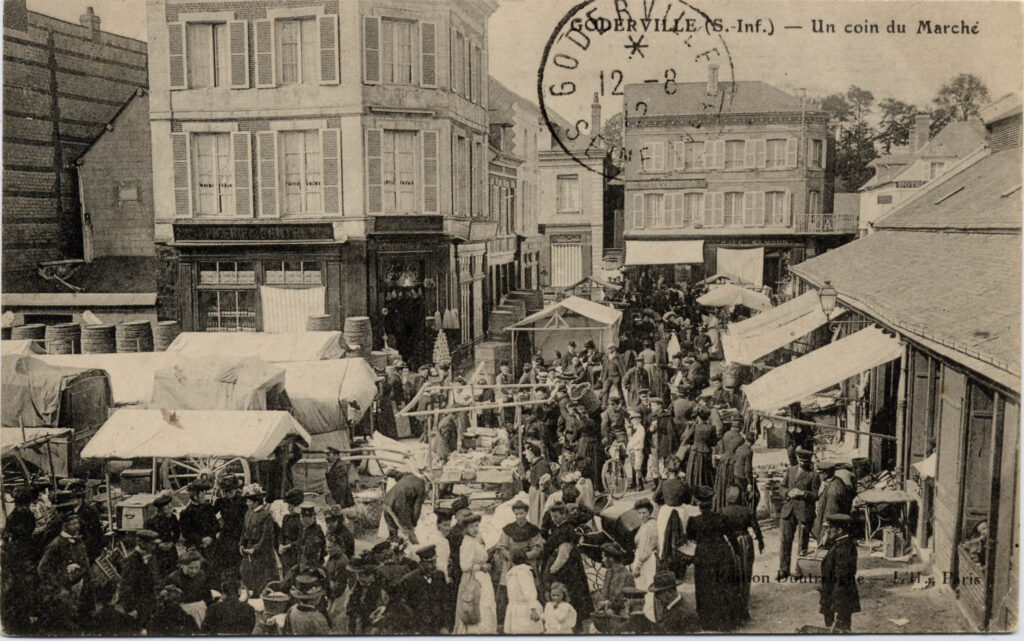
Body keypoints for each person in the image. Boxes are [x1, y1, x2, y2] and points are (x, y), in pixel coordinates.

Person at [686, 486, 744, 631]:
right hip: (722, 554)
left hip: (704, 556)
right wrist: (737, 552)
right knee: (723, 586)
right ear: (712, 503)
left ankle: (708, 621)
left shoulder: (693, 521)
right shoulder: (721, 518)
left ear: (699, 505)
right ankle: (726, 621)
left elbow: (690, 538)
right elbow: (731, 537)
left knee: (705, 588)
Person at [37, 511, 94, 631]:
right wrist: (61, 581)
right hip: (66, 592)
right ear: (65, 526)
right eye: (73, 524)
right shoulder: (56, 545)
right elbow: (42, 569)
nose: (77, 526)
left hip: (83, 589)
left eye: (77, 523)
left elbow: (85, 563)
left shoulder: (78, 541)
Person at [541, 501, 593, 630]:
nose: (554, 519)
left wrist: (552, 570)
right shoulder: (558, 528)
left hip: (567, 569)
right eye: (553, 517)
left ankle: (572, 626)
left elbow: (563, 555)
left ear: (564, 515)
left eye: (557, 516)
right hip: (566, 567)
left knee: (570, 595)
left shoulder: (567, 530)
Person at [494, 500, 543, 620]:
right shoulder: (508, 529)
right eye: (517, 514)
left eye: (521, 513)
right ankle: (506, 619)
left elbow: (538, 547)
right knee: (508, 590)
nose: (519, 516)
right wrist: (511, 556)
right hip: (511, 564)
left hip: (528, 563)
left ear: (526, 513)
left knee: (530, 588)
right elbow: (501, 546)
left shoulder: (533, 529)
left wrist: (526, 556)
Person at [720, 486, 764, 616]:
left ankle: (731, 598)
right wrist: (761, 542)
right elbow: (756, 528)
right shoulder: (747, 510)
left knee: (731, 569)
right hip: (745, 541)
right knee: (745, 569)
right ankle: (744, 598)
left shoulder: (722, 511)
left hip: (729, 542)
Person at [778, 448, 820, 580]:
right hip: (788, 510)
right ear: (797, 459)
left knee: (802, 543)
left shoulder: (814, 475)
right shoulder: (791, 470)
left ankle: (799, 570)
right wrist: (787, 493)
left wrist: (803, 493)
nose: (802, 464)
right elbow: (782, 487)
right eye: (800, 461)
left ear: (809, 461)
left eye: (805, 462)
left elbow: (816, 495)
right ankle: (783, 569)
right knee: (785, 541)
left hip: (804, 512)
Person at [454, 513, 498, 633]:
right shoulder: (467, 542)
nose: (475, 529)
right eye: (471, 527)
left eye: (477, 526)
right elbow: (464, 565)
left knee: (487, 605)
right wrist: (481, 566)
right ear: (466, 528)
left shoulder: (477, 539)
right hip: (473, 579)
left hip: (483, 579)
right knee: (476, 606)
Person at [819, 513, 861, 631]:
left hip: (840, 598)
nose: (827, 531)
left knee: (840, 630)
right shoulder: (840, 542)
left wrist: (838, 607)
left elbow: (842, 579)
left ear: (840, 530)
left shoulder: (844, 549)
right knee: (836, 629)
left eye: (830, 528)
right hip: (833, 596)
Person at [239, 483, 280, 595]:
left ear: (256, 501)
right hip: (249, 548)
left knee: (262, 576)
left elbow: (267, 536)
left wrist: (255, 549)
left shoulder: (266, 515)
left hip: (263, 552)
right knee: (246, 572)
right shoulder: (248, 513)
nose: (247, 503)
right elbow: (244, 531)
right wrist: (242, 544)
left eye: (249, 501)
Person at [115, 529, 160, 627]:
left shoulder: (152, 557)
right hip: (137, 605)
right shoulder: (132, 561)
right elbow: (126, 586)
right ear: (141, 543)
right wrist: (129, 608)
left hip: (150, 603)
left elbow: (156, 579)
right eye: (151, 544)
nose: (154, 546)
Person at [403, 544, 449, 634]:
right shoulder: (410, 580)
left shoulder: (439, 575)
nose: (434, 565)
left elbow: (446, 601)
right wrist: (414, 630)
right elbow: (406, 607)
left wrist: (445, 626)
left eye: (435, 561)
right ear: (421, 564)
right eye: (430, 563)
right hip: (419, 627)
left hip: (438, 626)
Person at [163, 548, 214, 628]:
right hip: (181, 614)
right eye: (190, 568)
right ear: (182, 565)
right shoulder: (173, 578)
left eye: (197, 568)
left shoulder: (202, 575)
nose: (194, 571)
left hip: (200, 611)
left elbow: (207, 595)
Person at [213, 476, 248, 577]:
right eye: (224, 491)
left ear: (235, 489)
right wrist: (218, 527)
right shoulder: (220, 502)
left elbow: (245, 519)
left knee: (236, 557)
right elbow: (211, 516)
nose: (226, 494)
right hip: (226, 532)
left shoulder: (242, 502)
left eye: (229, 491)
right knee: (222, 557)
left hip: (239, 532)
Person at [382, 467, 428, 543]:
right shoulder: (421, 488)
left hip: (386, 502)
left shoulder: (409, 475)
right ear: (427, 482)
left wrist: (387, 474)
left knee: (392, 532)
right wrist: (413, 523)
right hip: (398, 506)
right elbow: (417, 508)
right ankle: (417, 550)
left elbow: (393, 473)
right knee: (409, 532)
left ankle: (391, 549)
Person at [630, 498, 659, 621]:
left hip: (646, 561)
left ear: (650, 512)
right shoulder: (647, 524)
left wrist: (637, 566)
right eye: (639, 513)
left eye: (644, 513)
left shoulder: (648, 526)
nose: (642, 516)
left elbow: (645, 549)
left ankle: (649, 618)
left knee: (646, 590)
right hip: (646, 558)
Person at [813, 460, 857, 541]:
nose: (818, 476)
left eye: (820, 473)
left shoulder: (833, 490)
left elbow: (830, 514)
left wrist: (825, 534)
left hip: (829, 533)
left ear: (825, 475)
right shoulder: (835, 481)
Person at [503, 549, 544, 634]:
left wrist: (533, 608)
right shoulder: (512, 572)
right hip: (515, 607)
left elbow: (529, 590)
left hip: (525, 608)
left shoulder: (523, 572)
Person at [145, 492, 180, 579]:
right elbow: (148, 539)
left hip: (171, 551)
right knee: (160, 575)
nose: (170, 507)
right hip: (158, 553)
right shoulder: (151, 522)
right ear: (160, 508)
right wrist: (159, 545)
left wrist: (172, 542)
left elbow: (177, 532)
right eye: (166, 506)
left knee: (173, 573)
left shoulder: (172, 518)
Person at [179, 478, 219, 553]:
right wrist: (201, 539)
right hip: (195, 547)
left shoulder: (208, 508)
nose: (204, 494)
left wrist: (211, 537)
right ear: (195, 495)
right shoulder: (186, 513)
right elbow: (186, 533)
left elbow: (215, 524)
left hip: (211, 544)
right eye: (202, 492)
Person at [712, 419, 745, 511]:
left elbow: (720, 448)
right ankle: (729, 506)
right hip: (732, 464)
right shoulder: (741, 439)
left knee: (721, 485)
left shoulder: (725, 435)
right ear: (740, 427)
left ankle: (719, 505)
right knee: (730, 485)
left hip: (723, 462)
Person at [595, 543, 635, 616]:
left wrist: (608, 605)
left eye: (603, 557)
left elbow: (627, 601)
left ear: (611, 558)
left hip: (622, 613)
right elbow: (605, 595)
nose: (602, 560)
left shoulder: (627, 575)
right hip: (609, 610)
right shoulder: (609, 572)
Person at [347, 556, 384, 635]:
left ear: (373, 576)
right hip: (358, 618)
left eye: (365, 576)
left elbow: (380, 605)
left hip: (371, 619)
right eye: (359, 575)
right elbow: (351, 605)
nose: (361, 578)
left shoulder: (378, 589)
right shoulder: (356, 587)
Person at [684, 405, 716, 491]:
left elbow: (686, 438)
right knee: (706, 472)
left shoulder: (695, 426)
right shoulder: (712, 428)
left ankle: (692, 488)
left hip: (695, 452)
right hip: (706, 452)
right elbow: (713, 442)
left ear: (698, 416)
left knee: (693, 472)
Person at [278, 488, 306, 574]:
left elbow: (302, 538)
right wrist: (280, 544)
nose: (289, 508)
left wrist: (289, 546)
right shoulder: (286, 517)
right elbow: (281, 533)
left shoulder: (301, 520)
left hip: (295, 551)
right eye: (288, 505)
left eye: (292, 506)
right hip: (285, 551)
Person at [732, 430, 758, 507]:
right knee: (755, 496)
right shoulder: (749, 452)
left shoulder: (739, 448)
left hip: (736, 475)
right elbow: (747, 469)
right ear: (753, 442)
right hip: (743, 478)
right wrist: (750, 482)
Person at [626, 410, 647, 490]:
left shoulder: (641, 429)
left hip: (638, 449)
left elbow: (637, 440)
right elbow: (630, 439)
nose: (634, 421)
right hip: (632, 450)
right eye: (633, 420)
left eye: (636, 419)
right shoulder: (632, 429)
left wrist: (629, 446)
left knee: (637, 467)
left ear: (640, 420)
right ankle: (635, 483)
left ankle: (640, 484)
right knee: (633, 466)